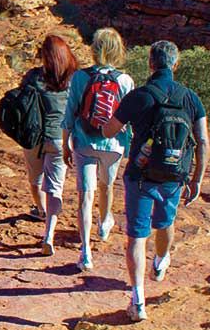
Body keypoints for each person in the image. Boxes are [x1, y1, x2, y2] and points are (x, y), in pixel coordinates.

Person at [101, 40, 209, 322]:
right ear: (176, 64)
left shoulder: (139, 96)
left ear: (150, 63)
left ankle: (138, 300)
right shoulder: (190, 98)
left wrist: (108, 125)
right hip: (175, 175)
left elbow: (109, 130)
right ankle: (160, 261)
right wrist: (197, 179)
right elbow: (203, 141)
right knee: (165, 222)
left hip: (141, 175)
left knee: (137, 237)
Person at [63, 28, 135, 274]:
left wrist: (66, 144)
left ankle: (85, 253)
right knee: (107, 185)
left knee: (86, 195)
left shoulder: (80, 77)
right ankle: (104, 224)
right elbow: (128, 118)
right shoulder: (125, 80)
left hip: (84, 142)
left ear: (94, 49)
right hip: (113, 144)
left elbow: (70, 112)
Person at [18, 34, 76, 255]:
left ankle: (40, 210)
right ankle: (49, 234)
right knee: (55, 188)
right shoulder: (73, 79)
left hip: (33, 136)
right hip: (60, 138)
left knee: (35, 179)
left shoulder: (33, 77)